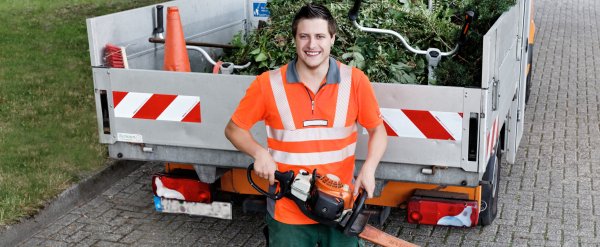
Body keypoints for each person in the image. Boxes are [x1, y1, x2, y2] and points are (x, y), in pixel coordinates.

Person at [224, 3, 387, 246]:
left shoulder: (355, 82)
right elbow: (233, 129)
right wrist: (259, 153)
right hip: (288, 214)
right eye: (304, 36)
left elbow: (378, 131)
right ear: (295, 39)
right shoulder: (268, 84)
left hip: (342, 210)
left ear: (332, 38)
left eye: (320, 36)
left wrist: (369, 168)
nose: (312, 45)